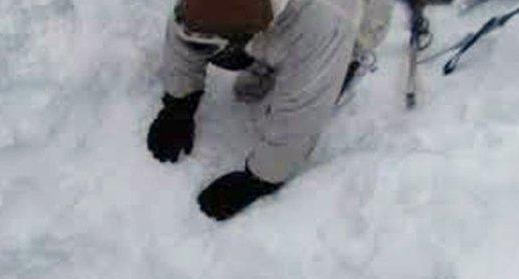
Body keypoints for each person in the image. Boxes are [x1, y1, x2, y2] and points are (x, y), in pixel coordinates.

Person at [147, 0, 393, 220]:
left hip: (345, 19)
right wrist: (179, 104)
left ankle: (349, 61)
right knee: (213, 35)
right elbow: (186, 30)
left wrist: (259, 179)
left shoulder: (324, 26)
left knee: (321, 75)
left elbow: (301, 118)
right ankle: (266, 56)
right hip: (262, 22)